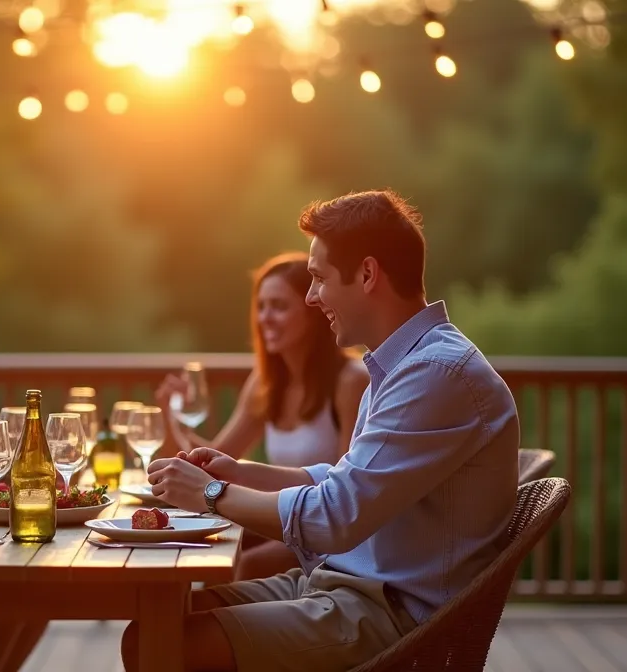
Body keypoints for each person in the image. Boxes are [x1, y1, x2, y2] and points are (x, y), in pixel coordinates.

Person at [135, 190, 520, 672]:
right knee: (157, 624)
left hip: (390, 615)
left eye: (318, 279)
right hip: (339, 585)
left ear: (366, 274)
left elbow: (334, 517)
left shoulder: (437, 373)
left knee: (169, 645)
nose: (313, 297)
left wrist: (214, 492)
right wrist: (242, 471)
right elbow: (341, 479)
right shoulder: (401, 365)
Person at [154, 252, 368, 581]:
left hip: (324, 532)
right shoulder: (266, 383)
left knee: (242, 562)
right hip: (278, 520)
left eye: (279, 306)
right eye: (262, 306)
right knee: (200, 546)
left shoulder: (350, 381)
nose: (265, 317)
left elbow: (344, 492)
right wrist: (171, 416)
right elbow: (216, 457)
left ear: (313, 314)